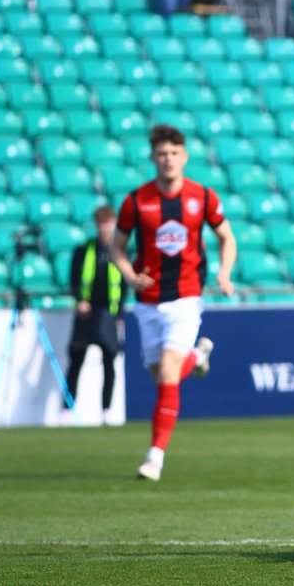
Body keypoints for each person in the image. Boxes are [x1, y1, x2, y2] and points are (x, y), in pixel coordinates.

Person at [110, 124, 237, 481]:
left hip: (185, 297)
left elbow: (227, 238)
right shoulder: (136, 201)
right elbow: (116, 247)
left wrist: (224, 274)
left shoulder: (203, 197)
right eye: (161, 154)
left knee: (168, 372)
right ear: (153, 157)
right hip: (147, 301)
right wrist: (128, 274)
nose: (167, 160)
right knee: (161, 378)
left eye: (173, 153)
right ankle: (197, 357)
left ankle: (154, 458)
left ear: (185, 156)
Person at [64, 205, 125, 423]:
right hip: (86, 314)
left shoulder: (120, 251)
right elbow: (72, 280)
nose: (104, 227)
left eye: (107, 222)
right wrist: (80, 300)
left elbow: (125, 285)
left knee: (109, 362)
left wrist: (120, 315)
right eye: (100, 223)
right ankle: (67, 410)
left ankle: (106, 411)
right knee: (76, 360)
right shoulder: (84, 250)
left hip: (109, 313)